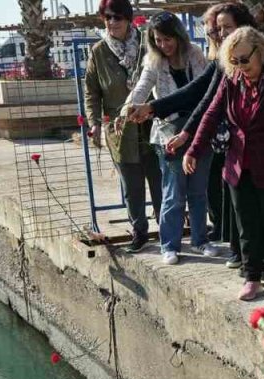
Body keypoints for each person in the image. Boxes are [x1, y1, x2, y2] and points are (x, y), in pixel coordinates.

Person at [132, 3, 264, 270]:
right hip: (238, 148)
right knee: (242, 208)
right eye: (218, 29)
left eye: (227, 27)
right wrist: (157, 111)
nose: (220, 33)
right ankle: (246, 261)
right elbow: (204, 99)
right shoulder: (224, 62)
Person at [186, 27, 264, 300]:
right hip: (238, 167)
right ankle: (252, 277)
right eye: (234, 61)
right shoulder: (230, 81)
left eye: (245, 60)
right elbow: (210, 115)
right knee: (246, 226)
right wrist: (193, 149)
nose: (241, 67)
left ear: (260, 53)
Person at [124, 12, 214, 266]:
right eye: (158, 40)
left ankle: (200, 240)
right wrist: (130, 107)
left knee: (198, 190)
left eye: (167, 39)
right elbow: (142, 86)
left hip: (198, 129)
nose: (164, 45)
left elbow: (202, 90)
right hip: (168, 132)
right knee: (174, 192)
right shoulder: (153, 61)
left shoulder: (195, 54)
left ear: (178, 35)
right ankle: (170, 244)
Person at [84, 0, 162, 253]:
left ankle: (166, 229)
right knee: (132, 185)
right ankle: (139, 232)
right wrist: (94, 123)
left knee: (159, 179)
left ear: (128, 19)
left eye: (117, 17)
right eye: (107, 17)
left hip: (151, 122)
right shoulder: (98, 51)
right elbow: (92, 92)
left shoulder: (146, 44)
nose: (112, 22)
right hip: (120, 130)